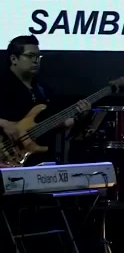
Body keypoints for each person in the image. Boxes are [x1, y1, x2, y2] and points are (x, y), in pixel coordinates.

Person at [1, 35, 90, 165]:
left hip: (36, 161)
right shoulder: (2, 84)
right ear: (14, 59)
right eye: (30, 56)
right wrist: (4, 123)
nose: (36, 61)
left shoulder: (44, 90)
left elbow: (53, 124)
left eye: (38, 56)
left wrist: (78, 118)